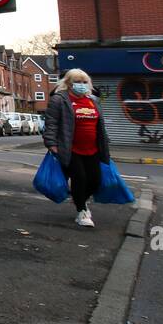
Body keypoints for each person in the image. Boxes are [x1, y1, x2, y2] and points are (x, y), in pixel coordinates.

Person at [42, 68, 111, 228]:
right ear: (68, 83)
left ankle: (80, 199)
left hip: (93, 148)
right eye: (77, 82)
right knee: (80, 178)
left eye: (84, 82)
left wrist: (104, 142)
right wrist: (51, 144)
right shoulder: (59, 100)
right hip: (70, 148)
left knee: (95, 181)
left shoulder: (93, 100)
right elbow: (51, 123)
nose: (81, 85)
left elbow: (100, 125)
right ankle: (82, 212)